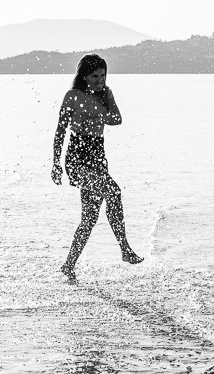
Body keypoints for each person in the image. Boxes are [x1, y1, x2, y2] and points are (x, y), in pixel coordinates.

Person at [51, 53, 143, 279]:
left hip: (97, 157)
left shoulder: (106, 94)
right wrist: (55, 163)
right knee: (114, 192)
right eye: (94, 76)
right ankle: (124, 249)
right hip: (77, 158)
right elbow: (60, 131)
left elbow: (117, 119)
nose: (100, 80)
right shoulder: (72, 96)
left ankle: (68, 265)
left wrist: (98, 111)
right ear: (84, 76)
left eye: (102, 75)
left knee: (89, 219)